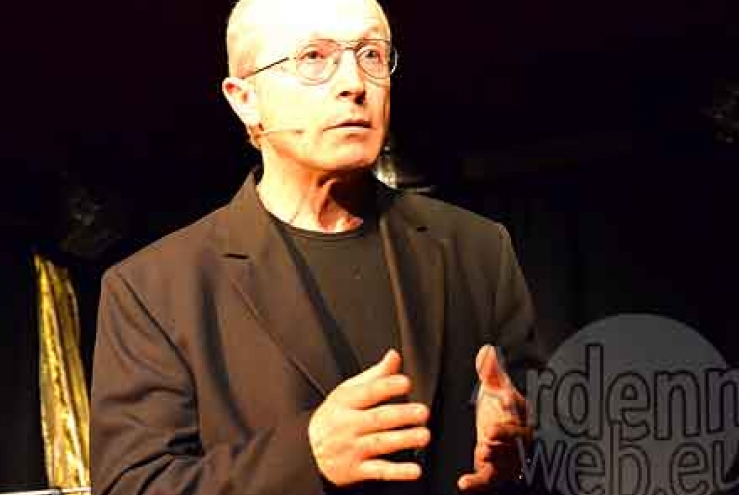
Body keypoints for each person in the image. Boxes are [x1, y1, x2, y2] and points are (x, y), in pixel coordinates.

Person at [89, 0, 547, 493]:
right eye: (314, 57)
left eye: (371, 54)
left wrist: (522, 454)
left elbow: (545, 445)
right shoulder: (155, 289)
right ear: (246, 99)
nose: (354, 83)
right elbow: (133, 485)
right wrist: (306, 456)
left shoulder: (477, 251)